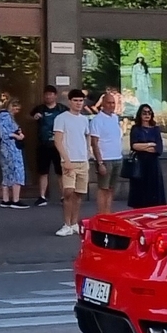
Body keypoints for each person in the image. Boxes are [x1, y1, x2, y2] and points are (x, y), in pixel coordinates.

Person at [52, 89, 96, 237]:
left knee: (79, 194)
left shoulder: (84, 119)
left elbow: (87, 135)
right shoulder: (61, 118)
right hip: (69, 161)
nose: (78, 103)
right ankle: (66, 224)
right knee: (68, 193)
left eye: (81, 100)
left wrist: (88, 151)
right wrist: (66, 160)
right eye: (76, 100)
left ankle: (74, 223)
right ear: (70, 101)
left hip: (83, 161)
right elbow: (58, 141)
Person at [89, 88, 127, 226]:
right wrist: (99, 162)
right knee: (103, 188)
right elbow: (94, 142)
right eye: (109, 102)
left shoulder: (115, 118)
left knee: (111, 189)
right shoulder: (97, 120)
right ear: (103, 103)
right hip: (105, 159)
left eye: (113, 103)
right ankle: (101, 215)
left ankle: (108, 213)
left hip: (117, 157)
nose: (112, 105)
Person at [125, 103, 167, 208]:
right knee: (140, 189)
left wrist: (143, 147)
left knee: (153, 189)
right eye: (144, 113)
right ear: (140, 114)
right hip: (140, 163)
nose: (147, 115)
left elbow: (158, 148)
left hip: (153, 164)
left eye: (149, 113)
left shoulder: (155, 129)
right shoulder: (136, 128)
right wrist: (149, 145)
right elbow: (134, 145)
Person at [30, 87, 65, 208]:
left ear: (55, 95)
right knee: (43, 172)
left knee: (61, 172)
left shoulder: (62, 109)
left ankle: (64, 196)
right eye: (46, 95)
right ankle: (42, 196)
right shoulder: (39, 109)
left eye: (51, 94)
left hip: (59, 145)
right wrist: (34, 117)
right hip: (43, 145)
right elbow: (28, 118)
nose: (48, 97)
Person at [0, 93, 27, 207]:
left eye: (18, 107)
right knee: (17, 171)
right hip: (10, 147)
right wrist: (18, 136)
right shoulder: (5, 116)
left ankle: (6, 199)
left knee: (7, 172)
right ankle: (16, 200)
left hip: (4, 148)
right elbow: (5, 133)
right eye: (14, 106)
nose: (16, 109)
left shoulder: (0, 115)